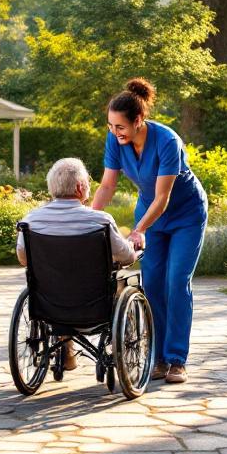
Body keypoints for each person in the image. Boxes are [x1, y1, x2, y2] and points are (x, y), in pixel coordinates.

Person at [90, 78, 207, 385]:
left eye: (120, 127)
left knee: (176, 281)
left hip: (185, 214)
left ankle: (177, 359)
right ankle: (158, 358)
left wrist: (139, 229)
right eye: (111, 126)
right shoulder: (115, 140)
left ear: (138, 120)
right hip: (149, 211)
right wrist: (88, 221)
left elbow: (163, 198)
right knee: (153, 283)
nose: (115, 133)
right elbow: (107, 185)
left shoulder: (167, 141)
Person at [16, 157, 141, 371]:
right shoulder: (100, 221)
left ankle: (68, 354)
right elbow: (126, 257)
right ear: (80, 187)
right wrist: (136, 246)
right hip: (94, 307)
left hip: (49, 306)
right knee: (127, 280)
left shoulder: (31, 221)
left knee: (62, 281)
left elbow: (23, 259)